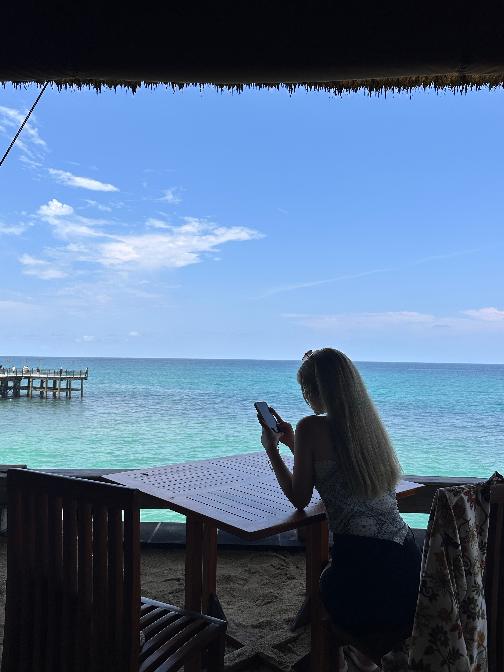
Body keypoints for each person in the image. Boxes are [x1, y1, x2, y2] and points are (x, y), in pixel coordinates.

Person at [257, 348, 421, 672]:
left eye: (306, 390)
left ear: (316, 390)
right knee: (336, 581)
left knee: (325, 588)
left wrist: (272, 449)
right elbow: (339, 468)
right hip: (407, 569)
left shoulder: (310, 427)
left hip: (365, 575)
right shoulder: (369, 427)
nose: (305, 397)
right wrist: (294, 444)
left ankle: (340, 660)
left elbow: (299, 497)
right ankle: (362, 659)